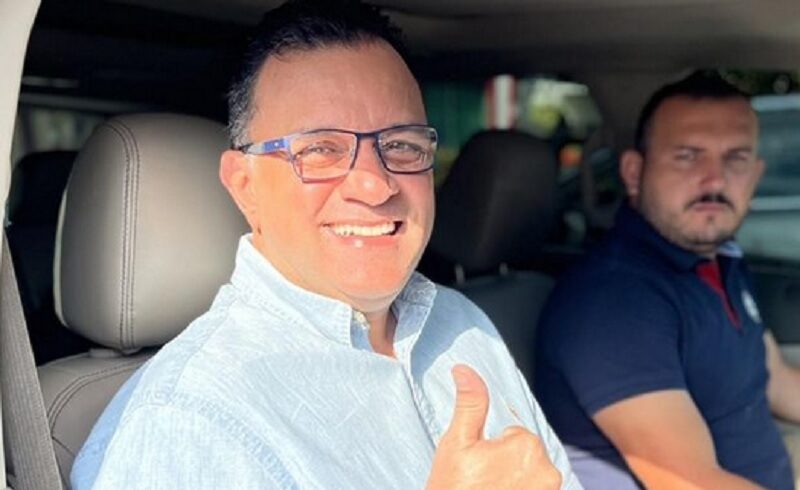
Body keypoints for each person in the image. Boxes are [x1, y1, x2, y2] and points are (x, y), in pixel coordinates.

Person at [70, 1, 582, 488]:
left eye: (401, 145)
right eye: (319, 150)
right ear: (244, 186)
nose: (374, 185)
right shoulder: (184, 425)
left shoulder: (461, 322)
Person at [535, 73, 800, 490]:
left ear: (755, 174)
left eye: (735, 158)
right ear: (634, 172)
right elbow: (690, 483)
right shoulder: (613, 303)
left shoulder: (719, 259)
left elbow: (777, 381)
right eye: (688, 156)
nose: (715, 180)